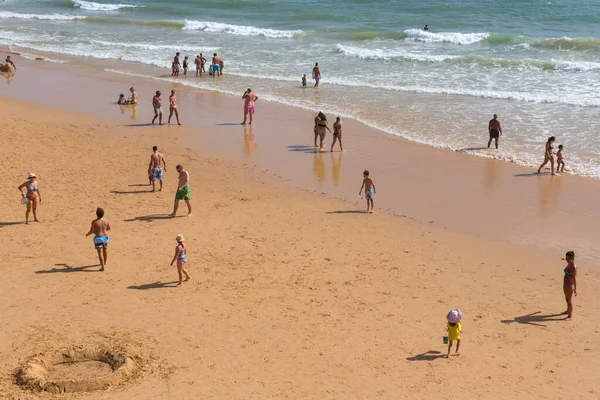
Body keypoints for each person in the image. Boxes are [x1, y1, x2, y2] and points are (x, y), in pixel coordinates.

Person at [85, 207, 111, 272]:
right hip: (105, 237)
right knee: (105, 250)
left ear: (96, 214)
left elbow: (91, 231)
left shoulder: (94, 222)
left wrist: (87, 234)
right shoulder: (106, 221)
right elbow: (108, 228)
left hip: (98, 238)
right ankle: (105, 262)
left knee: (100, 253)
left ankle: (102, 267)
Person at [562, 251, 577, 320]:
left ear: (572, 258)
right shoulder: (569, 264)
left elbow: (574, 279)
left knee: (570, 300)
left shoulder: (573, 267)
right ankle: (568, 310)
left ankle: (570, 316)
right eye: (566, 258)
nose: (566, 260)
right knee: (566, 299)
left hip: (569, 285)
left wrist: (575, 289)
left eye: (568, 259)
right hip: (565, 283)